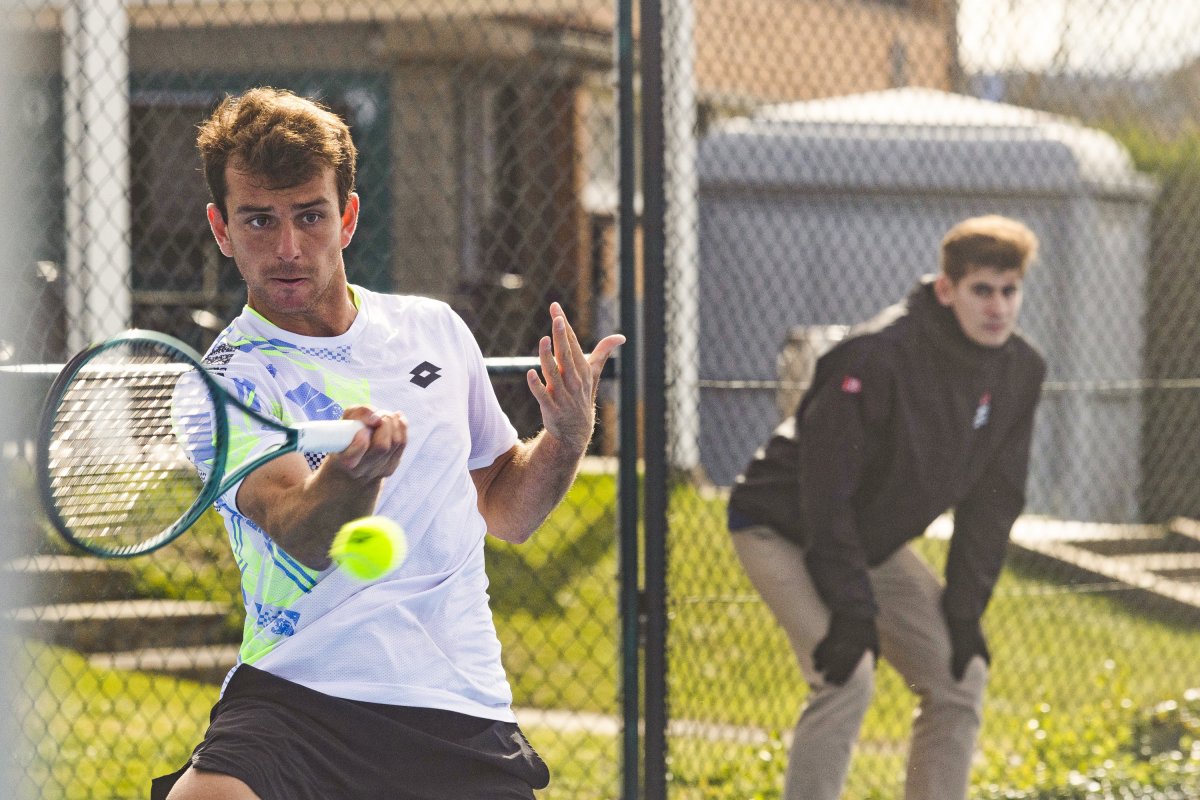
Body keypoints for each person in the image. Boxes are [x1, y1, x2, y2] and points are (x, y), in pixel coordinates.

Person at [151, 87, 623, 800]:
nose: (287, 248)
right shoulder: (222, 383)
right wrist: (354, 478)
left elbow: (508, 509)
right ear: (221, 228)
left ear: (347, 217)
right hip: (296, 693)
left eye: (310, 216)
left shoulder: (434, 329)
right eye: (258, 220)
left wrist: (565, 438)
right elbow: (299, 532)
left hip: (454, 705)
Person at [726, 215, 1046, 800]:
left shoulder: (1020, 370)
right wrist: (852, 611)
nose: (997, 306)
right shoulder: (875, 357)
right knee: (845, 675)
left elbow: (992, 505)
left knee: (959, 675)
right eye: (982, 289)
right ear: (947, 290)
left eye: (1009, 290)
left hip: (862, 538)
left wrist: (965, 611)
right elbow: (827, 495)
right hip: (779, 523)